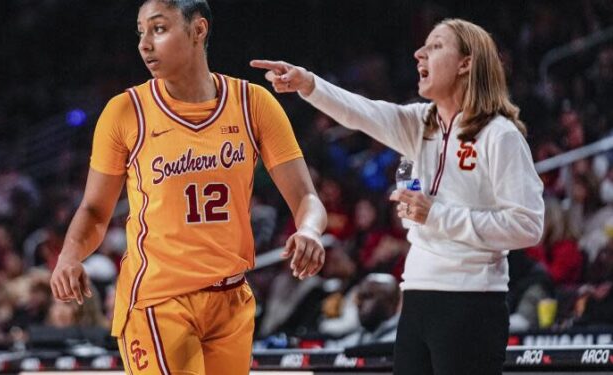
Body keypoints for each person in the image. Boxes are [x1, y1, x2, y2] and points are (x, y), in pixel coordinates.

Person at [252, 18, 544, 375]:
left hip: (472, 301)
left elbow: (528, 225)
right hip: (416, 298)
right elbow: (361, 111)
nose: (419, 53)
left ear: (466, 63)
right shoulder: (420, 123)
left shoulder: (501, 136)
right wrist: (308, 84)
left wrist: (436, 215)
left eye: (435, 46)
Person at [50, 1, 327, 374]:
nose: (144, 44)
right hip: (158, 298)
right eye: (140, 32)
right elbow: (95, 210)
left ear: (198, 30)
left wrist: (308, 229)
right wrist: (70, 255)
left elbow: (307, 197)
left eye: (159, 29)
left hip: (230, 298)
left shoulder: (253, 104)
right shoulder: (125, 111)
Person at [325, 273, 400, 349]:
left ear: (390, 301)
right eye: (359, 297)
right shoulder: (363, 335)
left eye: (367, 296)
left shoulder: (404, 337)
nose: (359, 303)